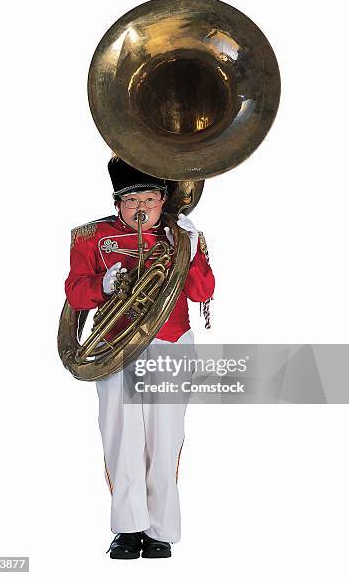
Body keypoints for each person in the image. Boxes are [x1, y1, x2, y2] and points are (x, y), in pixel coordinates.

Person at [64, 156, 215, 559]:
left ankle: (162, 529)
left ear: (163, 200)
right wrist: (102, 283)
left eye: (150, 198)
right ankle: (128, 529)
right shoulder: (89, 238)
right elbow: (75, 295)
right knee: (121, 437)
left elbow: (202, 294)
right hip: (114, 347)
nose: (143, 208)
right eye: (133, 201)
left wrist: (194, 248)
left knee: (164, 440)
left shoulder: (181, 237)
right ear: (118, 204)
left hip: (170, 343)